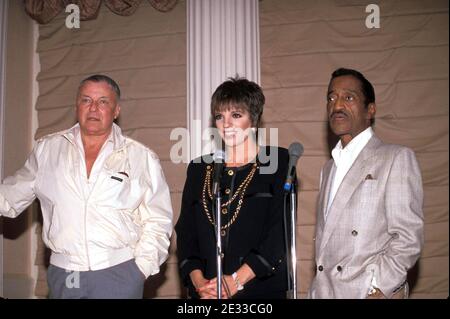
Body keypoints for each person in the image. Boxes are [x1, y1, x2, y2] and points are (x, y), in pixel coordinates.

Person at [0, 74, 173, 299]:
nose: (93, 108)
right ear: (77, 106)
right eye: (86, 100)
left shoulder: (141, 157)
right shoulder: (47, 150)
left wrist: (140, 269)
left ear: (116, 110)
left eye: (103, 102)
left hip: (119, 273)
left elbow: (159, 221)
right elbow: (9, 196)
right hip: (65, 274)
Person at [308, 68, 424, 299]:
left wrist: (379, 287)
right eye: (331, 98)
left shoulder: (395, 157)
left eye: (348, 97)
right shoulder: (328, 168)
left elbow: (409, 236)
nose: (337, 104)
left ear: (370, 110)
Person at [175, 76, 289, 299]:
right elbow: (186, 233)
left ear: (254, 119)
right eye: (220, 116)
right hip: (206, 292)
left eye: (236, 115)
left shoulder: (276, 161)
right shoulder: (199, 168)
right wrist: (200, 283)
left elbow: (279, 233)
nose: (226, 124)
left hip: (259, 292)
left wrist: (236, 280)